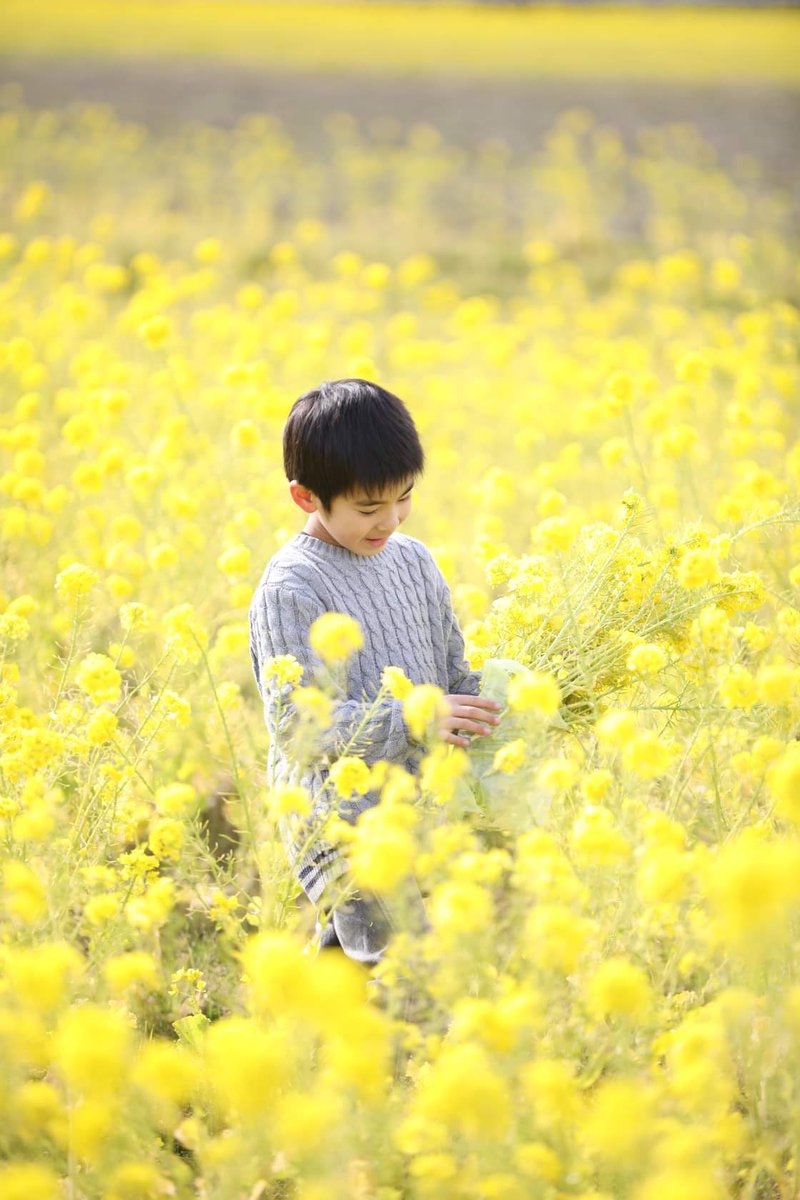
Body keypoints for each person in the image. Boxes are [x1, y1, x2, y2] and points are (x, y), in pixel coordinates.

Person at [248, 378, 503, 966]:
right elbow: (297, 728)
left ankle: (299, 1021)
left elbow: (452, 673)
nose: (390, 520)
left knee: (363, 969)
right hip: (338, 820)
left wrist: (510, 701)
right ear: (306, 497)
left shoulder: (414, 560)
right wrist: (414, 717)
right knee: (396, 968)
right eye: (368, 508)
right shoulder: (291, 587)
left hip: (416, 805)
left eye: (404, 497)